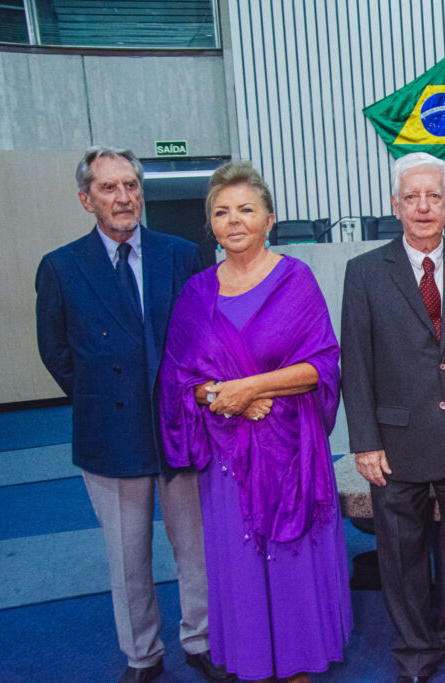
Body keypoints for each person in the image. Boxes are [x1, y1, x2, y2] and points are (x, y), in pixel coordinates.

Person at [35, 146, 229, 683]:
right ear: (85, 199)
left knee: (196, 548)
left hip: (181, 429)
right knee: (127, 557)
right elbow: (56, 352)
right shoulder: (61, 266)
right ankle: (143, 655)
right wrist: (99, 397)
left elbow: (206, 336)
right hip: (109, 433)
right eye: (108, 188)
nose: (123, 197)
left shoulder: (181, 254)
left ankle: (202, 641)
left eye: (131, 186)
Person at [158, 161, 352, 681]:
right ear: (211, 225)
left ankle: (297, 660)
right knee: (240, 557)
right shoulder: (197, 293)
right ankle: (252, 659)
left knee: (290, 553)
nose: (233, 220)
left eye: (246, 209)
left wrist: (255, 387)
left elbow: (324, 364)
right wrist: (224, 395)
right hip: (226, 458)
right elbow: (180, 378)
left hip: (290, 449)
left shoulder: (296, 279)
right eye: (221, 212)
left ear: (270, 219)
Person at [340, 152, 445, 683]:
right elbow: (356, 362)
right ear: (395, 205)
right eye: (412, 197)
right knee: (402, 554)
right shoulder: (363, 273)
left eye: (434, 195)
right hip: (395, 439)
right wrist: (363, 440)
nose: (424, 206)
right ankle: (413, 651)